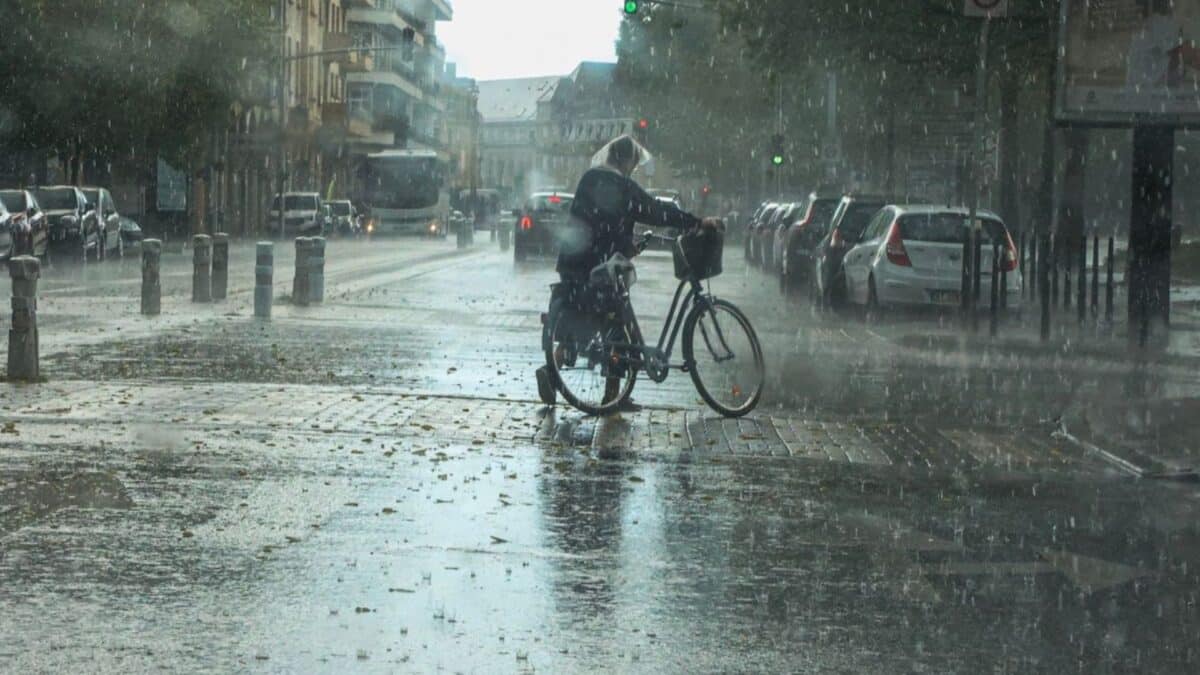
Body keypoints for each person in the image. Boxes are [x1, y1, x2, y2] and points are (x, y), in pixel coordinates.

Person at [545, 135, 720, 411]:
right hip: (600, 268)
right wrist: (696, 222)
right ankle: (613, 396)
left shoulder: (589, 179)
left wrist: (626, 245)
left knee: (580, 320)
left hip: (572, 264)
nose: (633, 170)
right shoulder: (623, 186)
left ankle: (553, 368)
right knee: (618, 328)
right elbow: (657, 211)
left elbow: (595, 221)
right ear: (626, 161)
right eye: (633, 165)